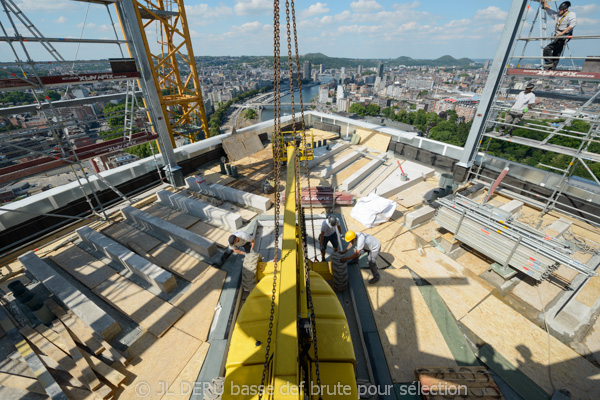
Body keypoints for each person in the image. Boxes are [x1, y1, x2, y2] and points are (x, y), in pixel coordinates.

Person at [541, 1, 576, 70]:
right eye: (559, 10)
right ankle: (552, 68)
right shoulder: (557, 15)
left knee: (547, 49)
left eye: (560, 10)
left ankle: (549, 63)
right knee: (557, 52)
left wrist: (562, 33)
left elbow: (573, 24)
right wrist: (544, 1)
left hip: (564, 35)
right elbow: (548, 9)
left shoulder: (571, 14)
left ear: (566, 9)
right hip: (558, 35)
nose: (559, 11)